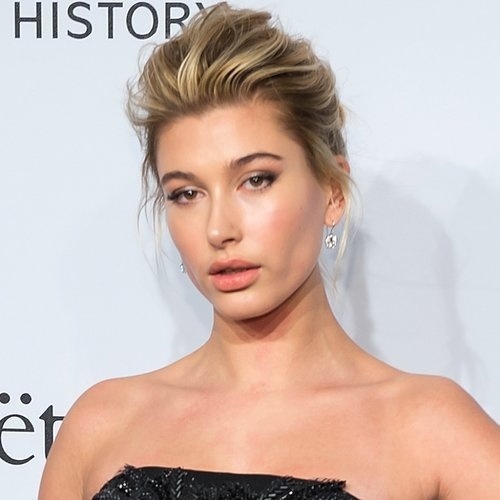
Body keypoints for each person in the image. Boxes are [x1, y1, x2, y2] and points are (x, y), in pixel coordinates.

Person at [39, 3, 500, 499]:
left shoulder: (433, 433)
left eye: (256, 180)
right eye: (186, 193)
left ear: (332, 191)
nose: (219, 229)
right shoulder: (100, 426)